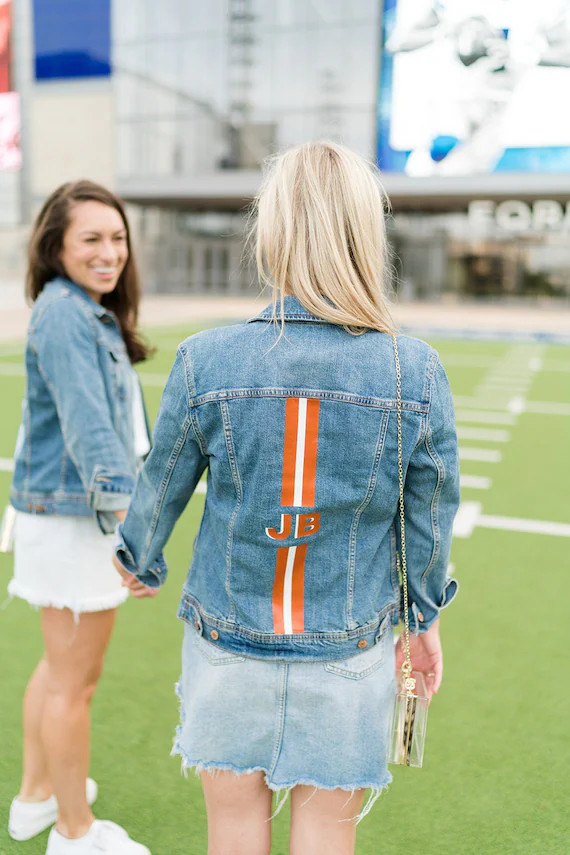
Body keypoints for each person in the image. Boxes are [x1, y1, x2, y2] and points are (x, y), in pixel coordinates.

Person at [114, 141, 460, 855]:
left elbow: (163, 479)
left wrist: (137, 558)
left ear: (273, 231)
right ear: (366, 233)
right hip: (348, 652)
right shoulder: (414, 370)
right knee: (327, 835)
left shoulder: (206, 356)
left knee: (233, 832)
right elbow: (426, 519)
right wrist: (422, 619)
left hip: (227, 643)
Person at [7, 181, 153, 855]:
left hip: (61, 516)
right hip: (75, 519)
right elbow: (92, 431)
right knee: (75, 682)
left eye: (116, 237)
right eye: (90, 238)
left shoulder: (79, 308)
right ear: (56, 245)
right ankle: (74, 833)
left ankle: (38, 796)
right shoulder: (67, 315)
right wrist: (132, 531)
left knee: (58, 668)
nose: (109, 251)